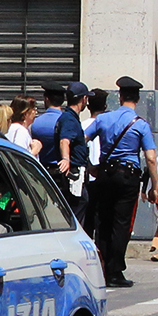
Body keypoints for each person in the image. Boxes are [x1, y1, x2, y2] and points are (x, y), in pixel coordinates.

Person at [88, 76, 158, 288]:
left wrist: (90, 165)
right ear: (136, 99)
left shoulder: (102, 119)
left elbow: (81, 140)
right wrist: (155, 186)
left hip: (104, 174)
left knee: (103, 222)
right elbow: (151, 158)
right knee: (121, 223)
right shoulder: (141, 125)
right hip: (127, 176)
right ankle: (116, 270)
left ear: (120, 97)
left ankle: (102, 269)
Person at [53, 82, 92, 224]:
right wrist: (66, 159)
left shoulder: (70, 118)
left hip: (78, 172)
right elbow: (65, 141)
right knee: (78, 206)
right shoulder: (69, 119)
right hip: (74, 175)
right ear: (83, 99)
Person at [82, 88, 110, 237]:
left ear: (87, 106)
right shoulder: (109, 126)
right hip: (104, 176)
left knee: (87, 219)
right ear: (105, 107)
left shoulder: (82, 126)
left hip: (87, 178)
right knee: (102, 219)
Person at [31, 81, 66, 170]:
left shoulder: (35, 123)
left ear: (46, 99)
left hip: (40, 170)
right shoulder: (68, 122)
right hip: (62, 169)